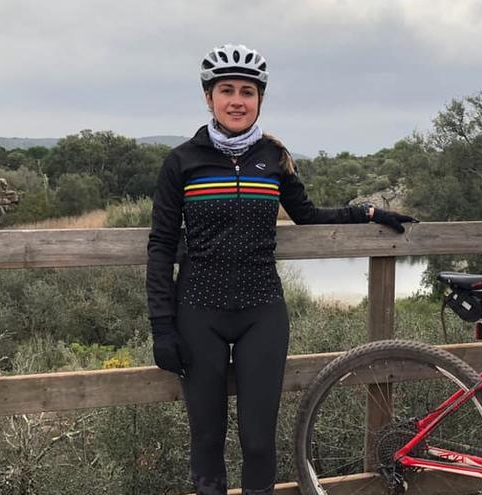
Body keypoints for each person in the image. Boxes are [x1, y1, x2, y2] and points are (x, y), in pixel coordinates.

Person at [145, 43, 417, 495]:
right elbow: (161, 245)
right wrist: (161, 326)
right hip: (197, 312)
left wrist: (366, 214)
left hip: (261, 313)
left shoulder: (273, 159)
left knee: (257, 441)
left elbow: (308, 214)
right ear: (208, 97)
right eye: (226, 90)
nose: (237, 100)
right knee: (207, 440)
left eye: (247, 92)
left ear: (260, 100)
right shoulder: (182, 163)